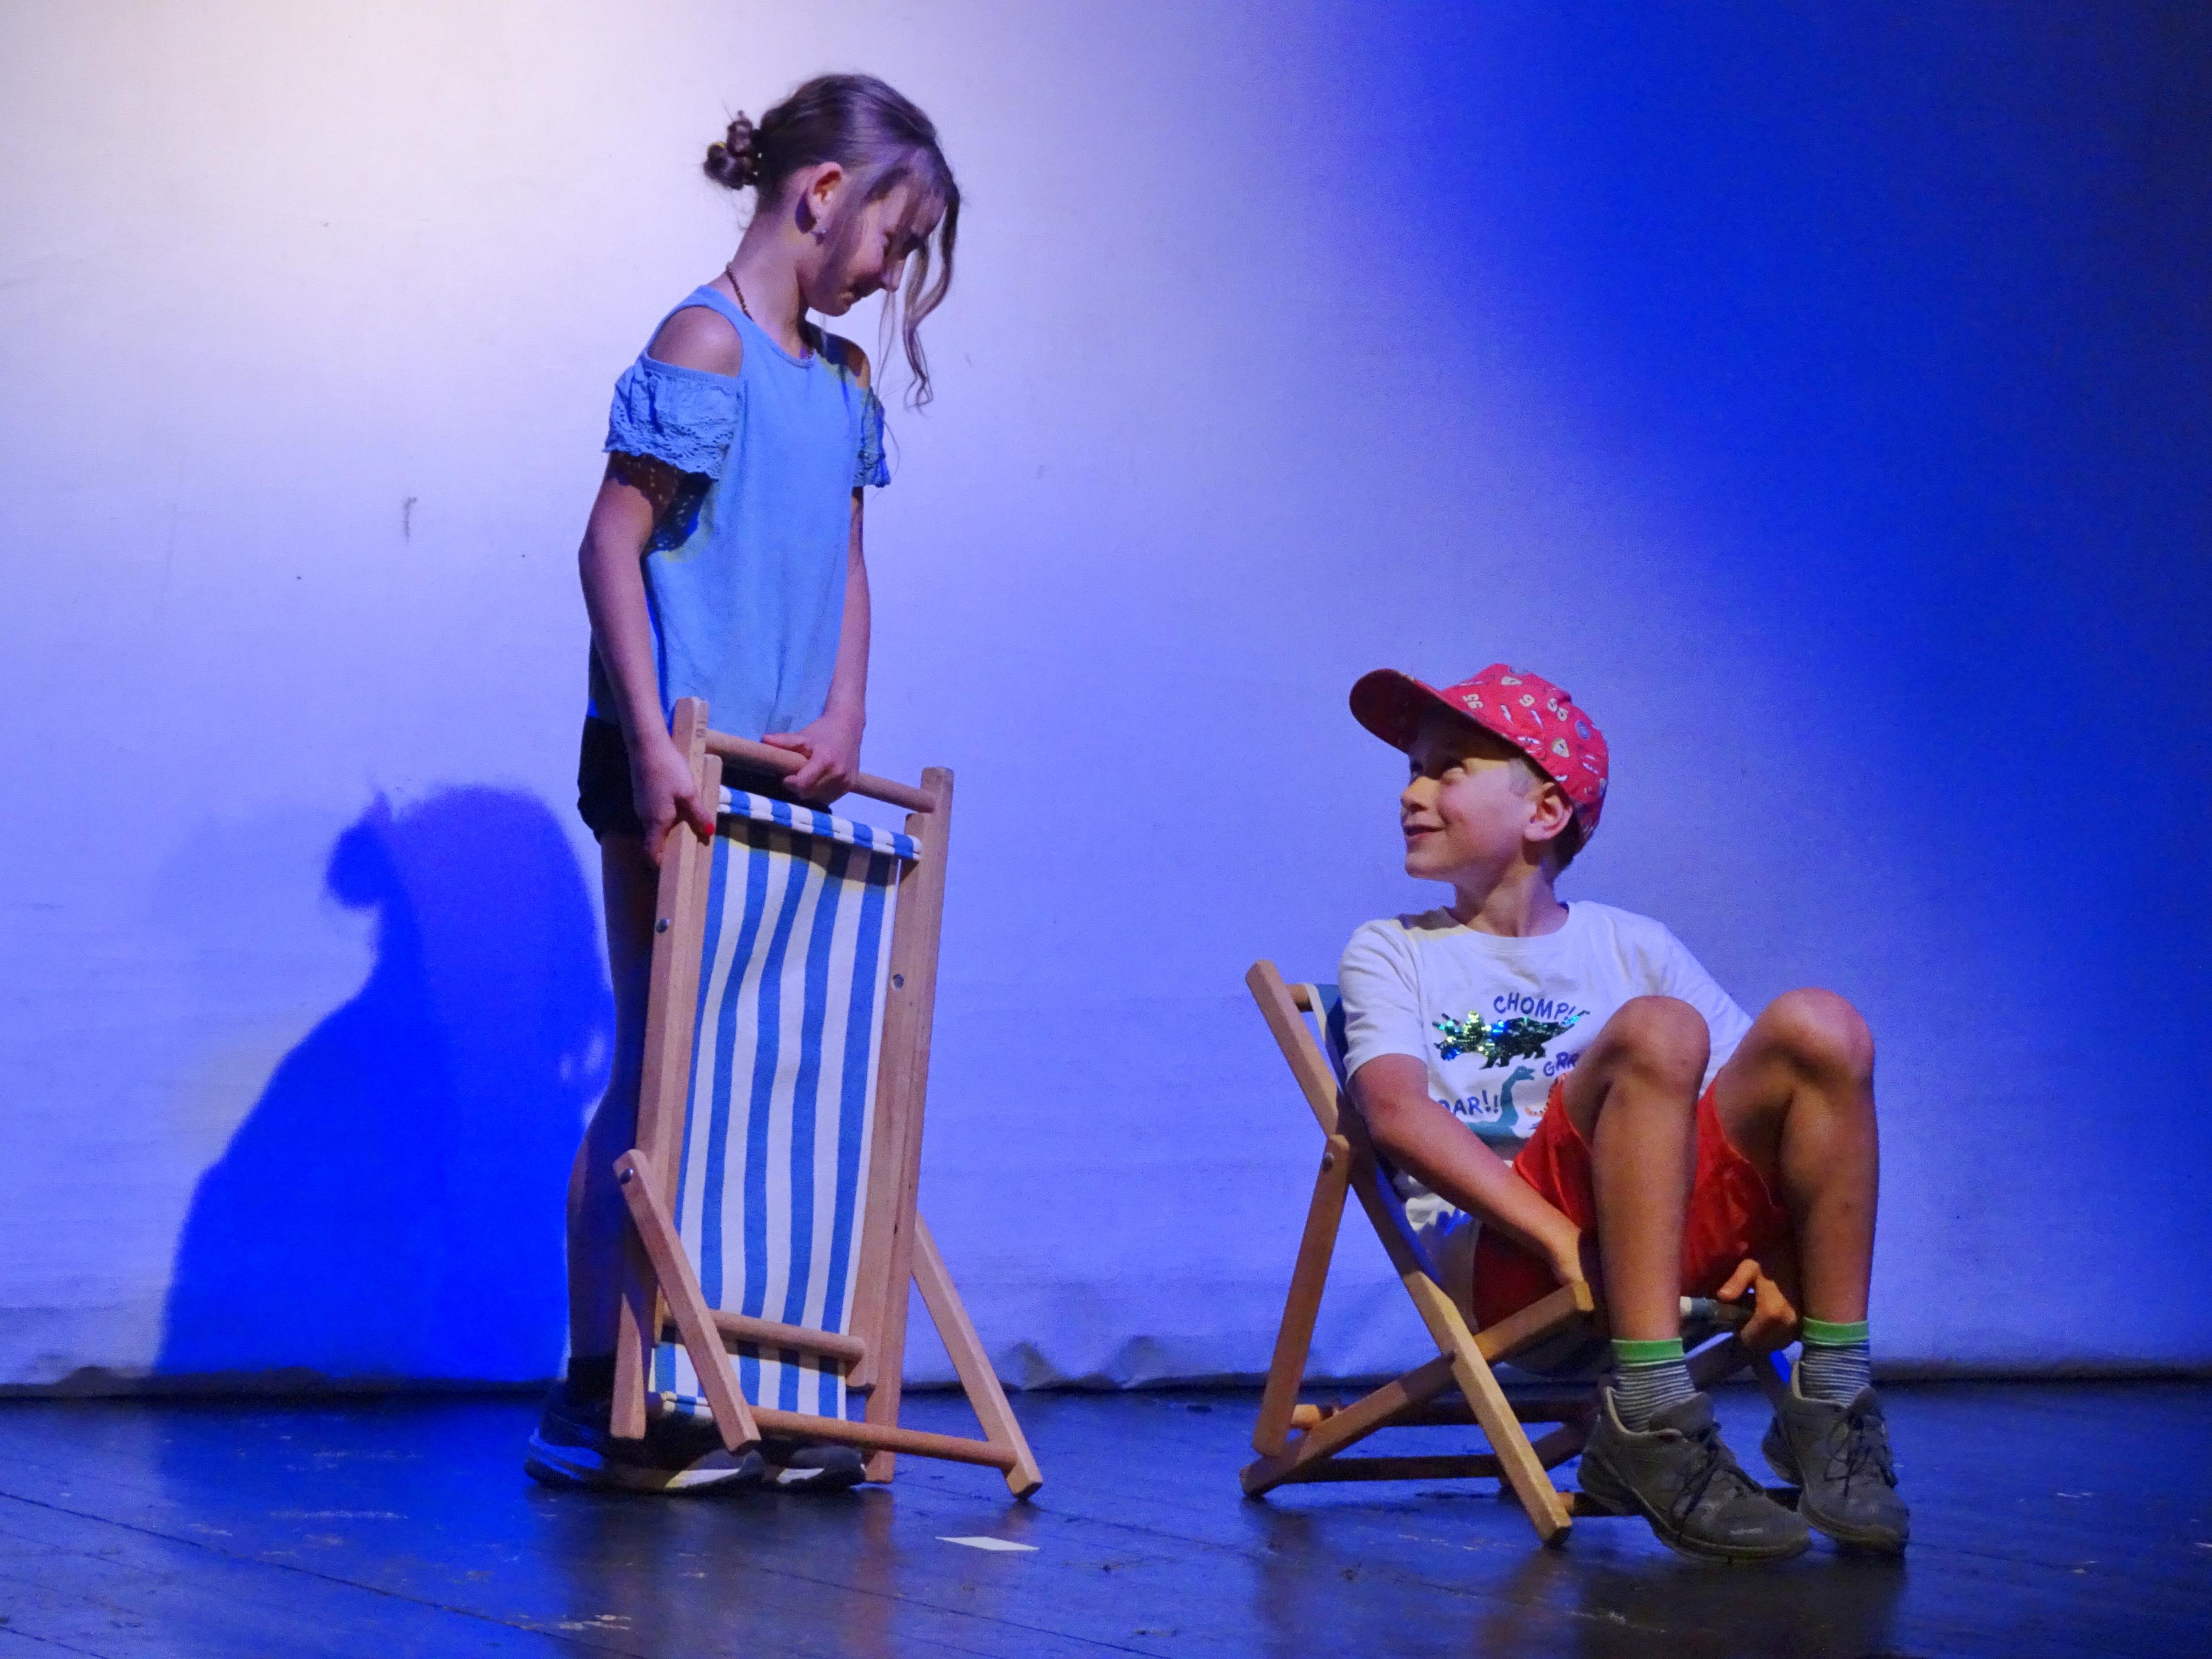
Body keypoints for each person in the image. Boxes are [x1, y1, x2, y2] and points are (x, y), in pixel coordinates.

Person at [525, 73, 960, 1494]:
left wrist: (845, 707)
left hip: (778, 766)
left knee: (742, 1075)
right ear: (822, 194)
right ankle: (596, 1387)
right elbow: (611, 543)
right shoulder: (705, 341)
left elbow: (846, 559)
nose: (891, 268)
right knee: (659, 1066)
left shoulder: (840, 381)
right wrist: (655, 744)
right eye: (894, 236)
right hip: (674, 756)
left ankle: (726, 1377)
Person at [1336, 663, 1907, 1561]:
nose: (1413, 793)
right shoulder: (1393, 950)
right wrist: (1560, 1239)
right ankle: (1649, 1413)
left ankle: (1834, 1394)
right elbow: (1397, 1115)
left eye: (1448, 770)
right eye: (1412, 772)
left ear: (1544, 813)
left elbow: (1766, 1111)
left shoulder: (1632, 944)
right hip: (1513, 1259)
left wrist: (1777, 1257)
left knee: (1821, 1027)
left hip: (1648, 1247)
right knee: (1658, 1031)